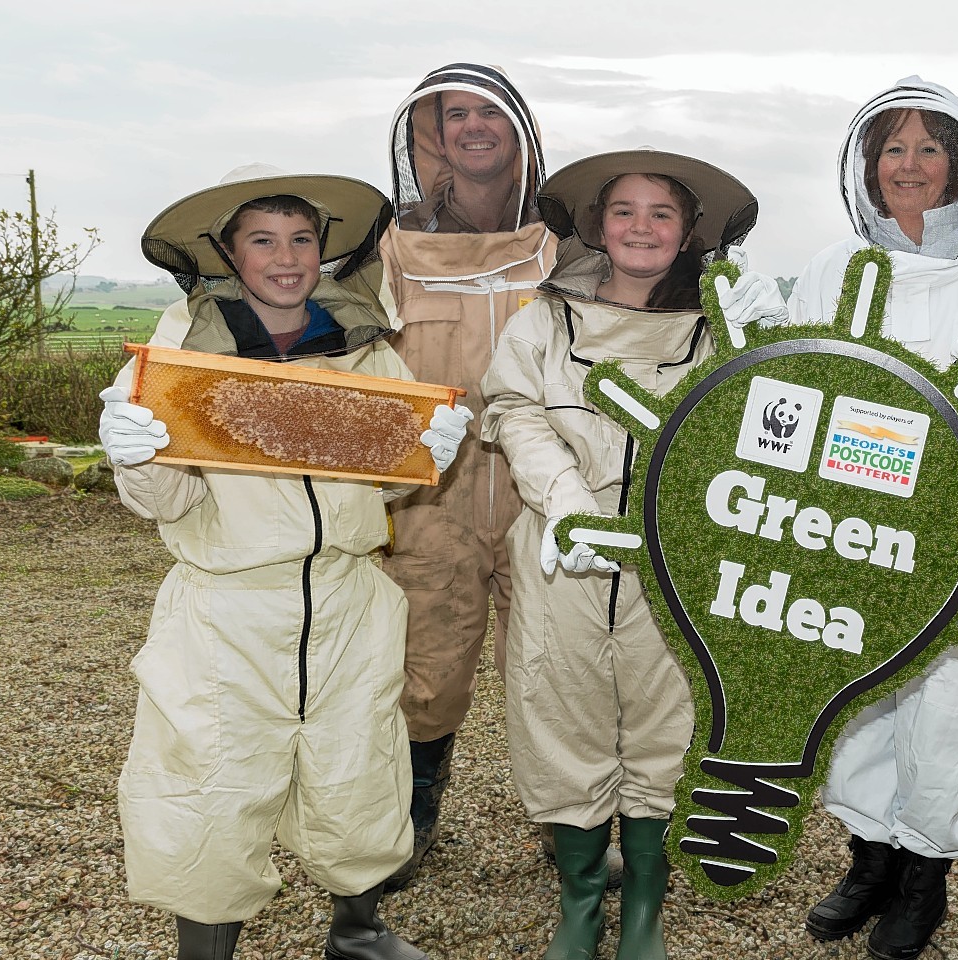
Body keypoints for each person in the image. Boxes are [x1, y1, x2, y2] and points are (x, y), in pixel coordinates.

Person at [99, 164, 473, 960]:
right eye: (262, 239)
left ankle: (359, 927)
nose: (287, 256)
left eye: (301, 238)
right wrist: (136, 455)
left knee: (359, 769)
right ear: (229, 253)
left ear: (322, 251)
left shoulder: (366, 347)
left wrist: (424, 453)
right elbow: (162, 503)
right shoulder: (179, 350)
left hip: (347, 599)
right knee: (214, 784)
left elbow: (385, 487)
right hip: (228, 609)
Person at [784, 77, 958, 960]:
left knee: (955, 707)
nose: (910, 164)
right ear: (867, 163)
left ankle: (925, 876)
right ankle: (870, 858)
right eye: (893, 147)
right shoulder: (829, 269)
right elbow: (794, 389)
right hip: (856, 531)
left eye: (929, 147)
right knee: (862, 701)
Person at [480, 147, 759, 960]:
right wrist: (564, 495)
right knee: (558, 715)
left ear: (689, 233)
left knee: (665, 725)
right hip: (558, 552)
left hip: (677, 564)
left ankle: (643, 906)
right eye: (626, 211)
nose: (642, 227)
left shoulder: (724, 330)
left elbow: (753, 432)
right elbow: (511, 408)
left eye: (662, 213)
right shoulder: (543, 319)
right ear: (597, 224)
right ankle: (578, 900)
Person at [378, 63, 563, 891]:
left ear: (518, 130)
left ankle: (576, 824)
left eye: (491, 112)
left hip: (543, 499)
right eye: (456, 115)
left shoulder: (567, 243)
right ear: (433, 135)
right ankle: (413, 815)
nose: (474, 127)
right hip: (429, 500)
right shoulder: (391, 245)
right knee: (425, 668)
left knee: (562, 668)